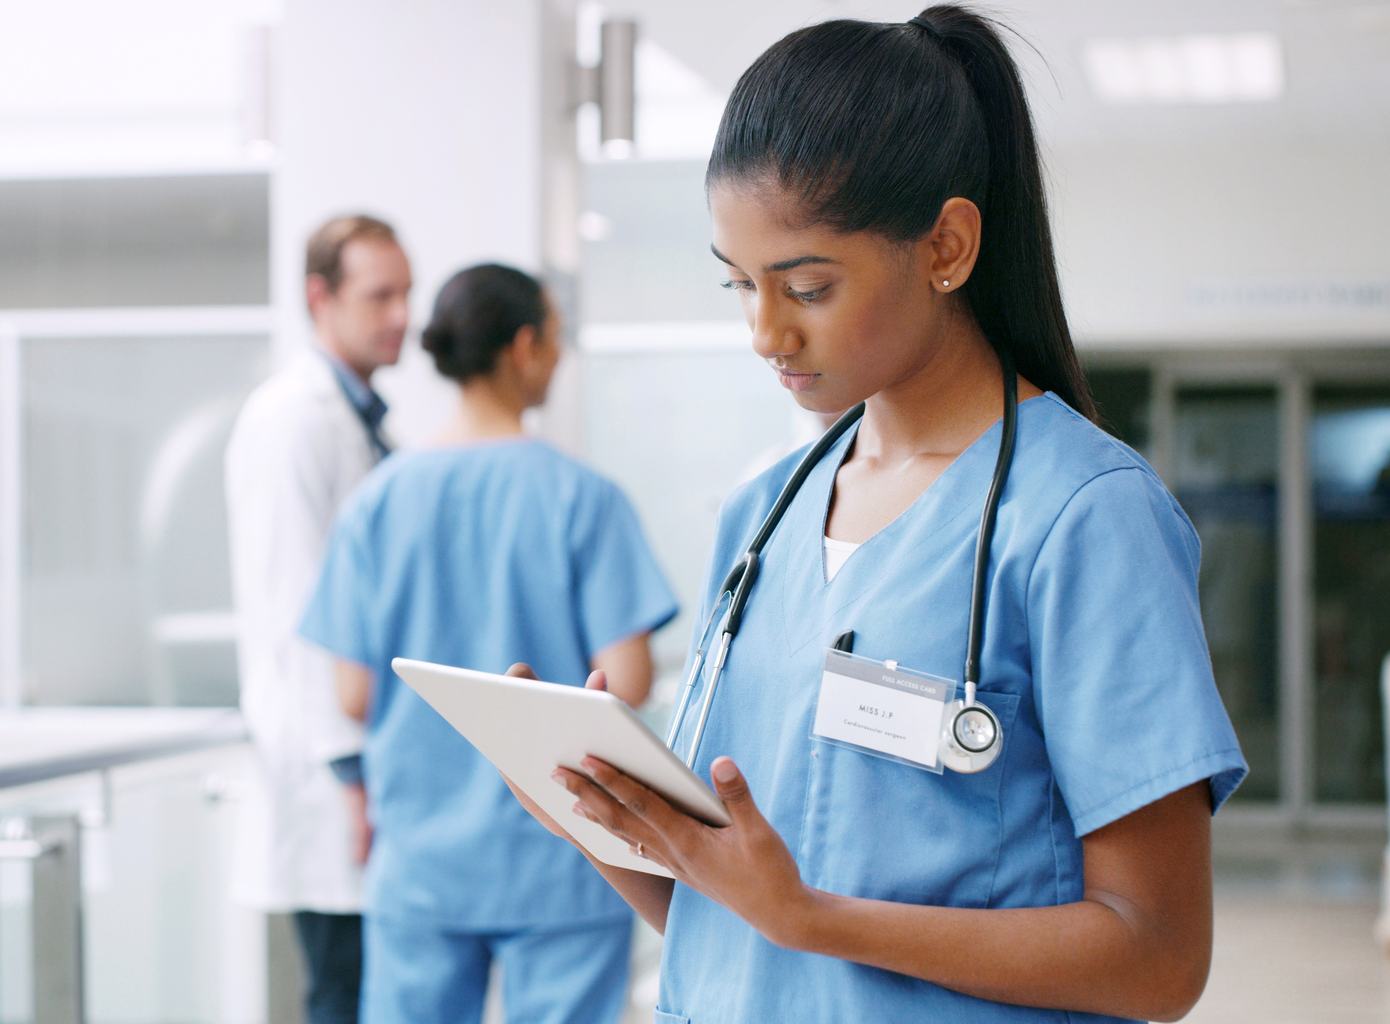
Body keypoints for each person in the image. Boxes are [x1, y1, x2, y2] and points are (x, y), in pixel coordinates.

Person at [508, 9, 1247, 1023]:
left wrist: (815, 918)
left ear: (945, 246)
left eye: (806, 285)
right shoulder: (763, 510)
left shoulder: (1083, 517)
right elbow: (729, 922)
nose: (766, 331)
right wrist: (596, 817)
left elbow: (1158, 959)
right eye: (739, 285)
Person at [300, 264, 678, 1024]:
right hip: (562, 851)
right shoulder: (582, 497)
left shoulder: (378, 501)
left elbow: (352, 693)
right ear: (526, 346)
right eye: (557, 341)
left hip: (422, 862)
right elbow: (627, 678)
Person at [225, 214, 412, 1024]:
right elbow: (301, 611)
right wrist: (348, 775)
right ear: (319, 298)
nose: (401, 315)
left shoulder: (361, 420)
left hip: (364, 755)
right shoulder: (294, 422)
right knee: (340, 991)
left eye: (406, 293)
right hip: (327, 767)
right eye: (380, 296)